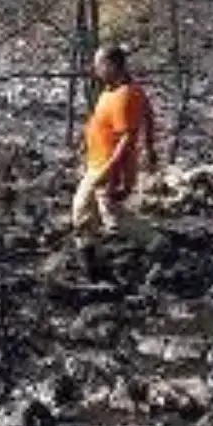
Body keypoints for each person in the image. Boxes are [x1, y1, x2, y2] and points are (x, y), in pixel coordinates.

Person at [72, 42, 158, 274]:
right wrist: (150, 147)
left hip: (109, 166)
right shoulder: (117, 90)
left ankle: (156, 245)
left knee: (105, 214)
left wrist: (111, 171)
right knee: (95, 210)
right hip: (99, 162)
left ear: (111, 65)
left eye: (99, 63)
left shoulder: (124, 95)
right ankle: (91, 260)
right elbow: (149, 115)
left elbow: (127, 139)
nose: (95, 68)